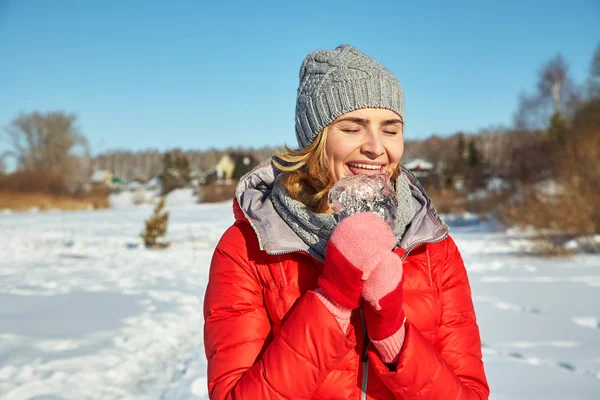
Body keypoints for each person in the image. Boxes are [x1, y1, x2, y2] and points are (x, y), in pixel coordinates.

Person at [203, 44, 489, 399]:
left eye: (390, 128)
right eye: (352, 128)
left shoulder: (431, 245)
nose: (375, 147)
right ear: (315, 141)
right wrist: (333, 301)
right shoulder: (250, 246)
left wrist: (392, 334)